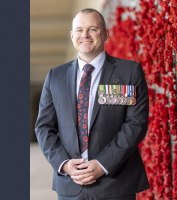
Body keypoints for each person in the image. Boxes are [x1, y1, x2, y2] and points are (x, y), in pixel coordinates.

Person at [35, 8, 149, 200]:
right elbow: (44, 127)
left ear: (105, 34)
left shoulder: (129, 72)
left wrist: (102, 164)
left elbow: (135, 124)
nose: (85, 35)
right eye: (79, 30)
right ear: (72, 36)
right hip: (70, 185)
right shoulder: (55, 76)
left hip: (116, 184)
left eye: (92, 29)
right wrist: (64, 164)